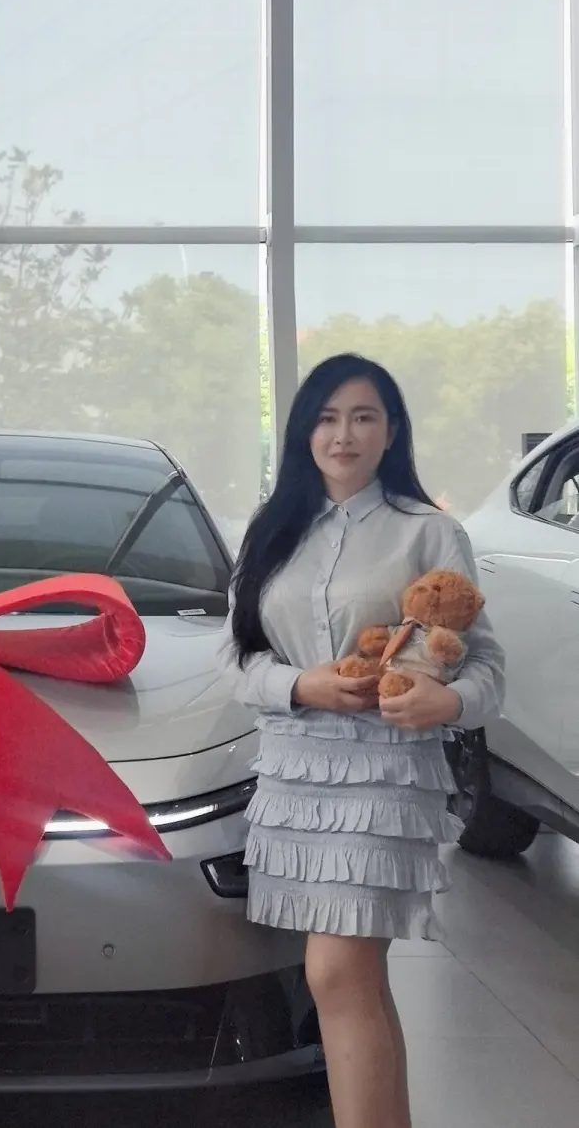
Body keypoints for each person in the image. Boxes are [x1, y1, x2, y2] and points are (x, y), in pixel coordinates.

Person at [217, 353, 505, 1128]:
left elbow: (487, 667)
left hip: (385, 774)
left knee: (336, 972)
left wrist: (446, 699)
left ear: (392, 431)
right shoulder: (271, 530)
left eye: (362, 416)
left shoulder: (428, 531)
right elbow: (236, 660)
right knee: (358, 982)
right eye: (326, 417)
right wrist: (300, 684)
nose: (342, 434)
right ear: (303, 431)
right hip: (293, 776)